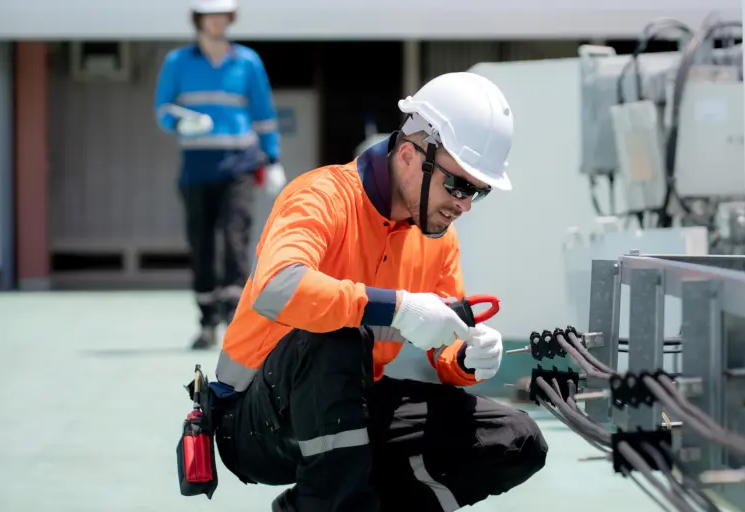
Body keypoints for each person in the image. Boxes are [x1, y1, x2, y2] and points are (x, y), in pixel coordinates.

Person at [206, 71, 549, 511]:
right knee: (336, 336)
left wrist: (465, 357)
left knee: (514, 440)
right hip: (254, 420)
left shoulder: (439, 241)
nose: (463, 205)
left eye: (477, 193)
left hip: (350, 403)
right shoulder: (320, 196)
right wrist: (399, 308)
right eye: (458, 185)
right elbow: (277, 286)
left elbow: (444, 348)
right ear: (408, 156)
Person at [154, 0, 287, 350]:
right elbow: (163, 109)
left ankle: (235, 318)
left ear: (230, 18)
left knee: (235, 240)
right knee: (201, 245)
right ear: (198, 19)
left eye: (222, 15)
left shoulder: (247, 61)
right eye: (210, 14)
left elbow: (264, 114)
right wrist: (181, 121)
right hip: (196, 167)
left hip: (240, 164)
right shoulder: (177, 62)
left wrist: (271, 159)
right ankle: (206, 321)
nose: (217, 21)